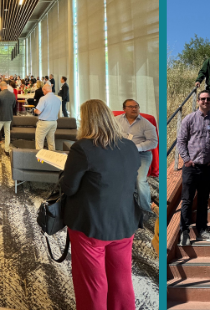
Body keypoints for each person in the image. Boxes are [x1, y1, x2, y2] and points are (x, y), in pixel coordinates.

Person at [60, 99, 141, 310]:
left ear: (87, 120)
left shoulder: (82, 148)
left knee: (93, 284)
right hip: (124, 222)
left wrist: (63, 174)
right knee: (121, 279)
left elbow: (69, 188)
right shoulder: (130, 146)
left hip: (91, 225)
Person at [176, 92, 210, 245]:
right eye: (203, 99)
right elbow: (181, 141)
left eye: (208, 99)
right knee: (187, 200)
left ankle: (202, 230)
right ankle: (185, 231)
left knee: (203, 200)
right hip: (191, 167)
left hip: (207, 167)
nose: (205, 101)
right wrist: (186, 160)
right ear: (198, 101)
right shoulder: (189, 119)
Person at [115, 99, 159, 223]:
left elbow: (153, 142)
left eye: (136, 106)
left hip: (142, 155)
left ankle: (145, 209)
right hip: (121, 155)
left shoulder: (146, 124)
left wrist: (136, 147)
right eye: (131, 107)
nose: (134, 109)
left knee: (140, 180)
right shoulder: (116, 120)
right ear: (124, 109)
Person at [34, 83, 62, 152]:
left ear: (45, 90)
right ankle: (52, 157)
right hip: (54, 122)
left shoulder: (43, 99)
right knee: (51, 141)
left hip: (44, 122)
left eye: (43, 90)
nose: (43, 92)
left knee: (39, 142)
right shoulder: (58, 99)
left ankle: (40, 160)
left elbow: (38, 112)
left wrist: (34, 110)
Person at [0, 80, 17, 154]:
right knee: (7, 133)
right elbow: (14, 105)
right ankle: (7, 149)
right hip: (9, 116)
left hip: (0, 116)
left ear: (0, 87)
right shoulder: (12, 95)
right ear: (6, 86)